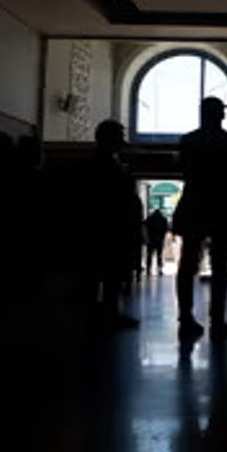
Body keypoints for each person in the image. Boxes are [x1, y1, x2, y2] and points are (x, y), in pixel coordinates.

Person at [173, 97, 227, 341]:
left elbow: (183, 171)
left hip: (193, 203)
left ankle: (185, 317)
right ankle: (218, 320)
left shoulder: (188, 141)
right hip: (222, 205)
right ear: (221, 115)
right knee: (220, 265)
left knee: (187, 262)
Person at [86, 120, 141, 329]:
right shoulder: (111, 168)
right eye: (119, 136)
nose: (122, 141)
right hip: (111, 229)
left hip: (99, 228)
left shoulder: (95, 165)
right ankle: (109, 314)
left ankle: (94, 314)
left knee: (97, 274)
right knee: (111, 275)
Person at [143, 208, 169, 275]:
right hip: (159, 239)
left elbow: (144, 225)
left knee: (149, 255)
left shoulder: (150, 218)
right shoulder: (163, 219)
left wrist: (146, 237)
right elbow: (166, 229)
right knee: (159, 255)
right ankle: (159, 269)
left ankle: (148, 269)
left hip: (151, 239)